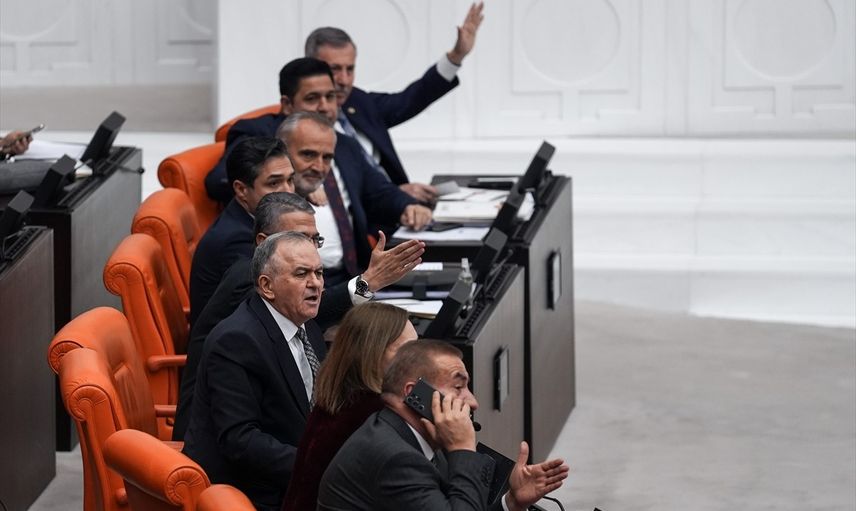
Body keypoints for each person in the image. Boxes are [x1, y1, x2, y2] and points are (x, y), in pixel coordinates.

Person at [173, 193, 424, 440]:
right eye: (299, 238)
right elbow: (242, 439)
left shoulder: (301, 321)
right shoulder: (244, 294)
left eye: (315, 240)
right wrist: (367, 283)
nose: (315, 282)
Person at [317, 340, 569, 511]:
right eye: (458, 387)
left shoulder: (415, 435)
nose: (473, 402)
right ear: (415, 394)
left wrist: (511, 503)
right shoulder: (395, 457)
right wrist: (463, 450)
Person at [183, 231, 327, 511]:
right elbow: (240, 441)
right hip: (256, 494)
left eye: (319, 273)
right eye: (301, 274)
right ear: (266, 286)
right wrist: (316, 466)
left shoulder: (306, 324)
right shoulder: (237, 341)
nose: (316, 284)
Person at [304, 2, 484, 203]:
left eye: (350, 69)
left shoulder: (358, 102)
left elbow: (411, 99)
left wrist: (456, 56)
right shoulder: (297, 128)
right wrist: (395, 194)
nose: (344, 80)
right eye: (335, 69)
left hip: (403, 208)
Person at [282, 302, 417, 511]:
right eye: (407, 350)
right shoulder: (374, 416)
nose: (419, 360)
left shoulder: (338, 402)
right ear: (373, 353)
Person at [276, 108, 429, 287]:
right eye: (308, 155)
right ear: (281, 151)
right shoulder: (267, 201)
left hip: (353, 275)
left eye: (327, 158)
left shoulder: (347, 148)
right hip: (314, 290)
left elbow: (378, 190)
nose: (319, 167)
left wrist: (407, 206)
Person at [188, 136, 294, 324]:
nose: (288, 192)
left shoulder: (254, 221)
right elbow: (279, 309)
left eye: (290, 180)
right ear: (241, 190)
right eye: (274, 183)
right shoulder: (236, 241)